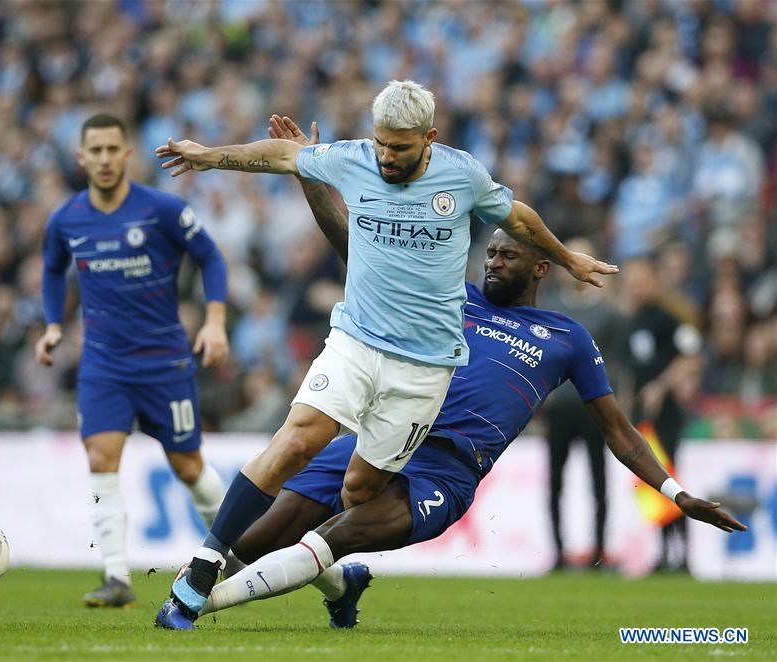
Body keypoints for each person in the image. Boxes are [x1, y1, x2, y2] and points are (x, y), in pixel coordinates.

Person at [154, 116, 745, 631]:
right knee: (258, 541)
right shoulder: (448, 298)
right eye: (489, 253)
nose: (492, 261)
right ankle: (331, 586)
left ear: (539, 266)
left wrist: (676, 493)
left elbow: (618, 430)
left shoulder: (568, 338)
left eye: (506, 256)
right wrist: (311, 181)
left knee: (333, 536)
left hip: (446, 469)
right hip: (380, 432)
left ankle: (189, 609)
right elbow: (356, 251)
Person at [36, 114, 229, 607]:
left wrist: (214, 321)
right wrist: (54, 324)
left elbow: (211, 257)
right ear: (81, 158)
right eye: (94, 150)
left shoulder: (161, 210)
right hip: (104, 365)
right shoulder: (67, 219)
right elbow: (54, 270)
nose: (103, 159)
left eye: (111, 150)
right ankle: (117, 577)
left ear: (127, 155)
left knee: (188, 467)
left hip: (165, 363)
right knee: (101, 458)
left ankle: (238, 548)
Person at [540, 237, 624, 570]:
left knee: (599, 482)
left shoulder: (609, 313)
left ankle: (600, 551)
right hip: (559, 408)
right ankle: (558, 553)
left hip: (594, 409)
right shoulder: (547, 305)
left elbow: (616, 364)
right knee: (555, 482)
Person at [619, 257, 704, 572]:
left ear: (654, 281)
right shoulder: (633, 321)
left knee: (671, 482)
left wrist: (661, 386)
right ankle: (665, 553)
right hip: (642, 420)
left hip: (665, 416)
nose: (635, 286)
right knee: (653, 486)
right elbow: (631, 370)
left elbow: (692, 356)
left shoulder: (668, 320)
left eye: (641, 279)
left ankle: (682, 556)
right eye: (632, 280)